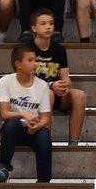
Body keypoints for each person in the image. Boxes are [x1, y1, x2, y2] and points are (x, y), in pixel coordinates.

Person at [0, 44, 53, 185]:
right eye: (30, 60)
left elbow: (46, 118)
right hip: (13, 130)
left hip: (33, 129)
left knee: (44, 134)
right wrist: (24, 114)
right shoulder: (6, 81)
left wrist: (37, 125)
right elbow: (4, 114)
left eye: (35, 60)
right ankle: (2, 167)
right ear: (18, 64)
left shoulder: (42, 85)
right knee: (12, 123)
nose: (35, 64)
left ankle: (44, 180)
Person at [22, 8, 85, 147]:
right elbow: (26, 80)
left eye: (51, 23)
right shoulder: (27, 49)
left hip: (56, 92)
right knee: (48, 94)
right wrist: (51, 86)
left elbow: (65, 76)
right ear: (34, 28)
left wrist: (64, 86)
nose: (48, 27)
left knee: (79, 95)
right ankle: (45, 141)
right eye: (43, 23)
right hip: (32, 96)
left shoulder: (59, 49)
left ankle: (74, 143)